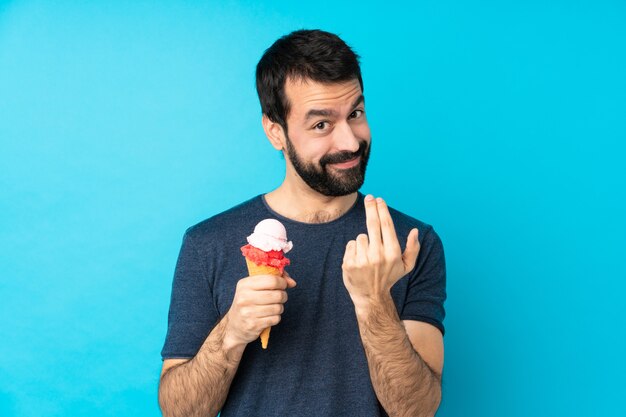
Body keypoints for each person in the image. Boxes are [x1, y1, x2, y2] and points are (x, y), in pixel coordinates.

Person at [158, 29, 447, 417]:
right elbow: (180, 411)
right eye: (321, 125)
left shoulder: (411, 243)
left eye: (355, 114)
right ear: (275, 131)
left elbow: (417, 410)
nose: (350, 141)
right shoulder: (207, 243)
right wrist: (231, 334)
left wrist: (374, 301)